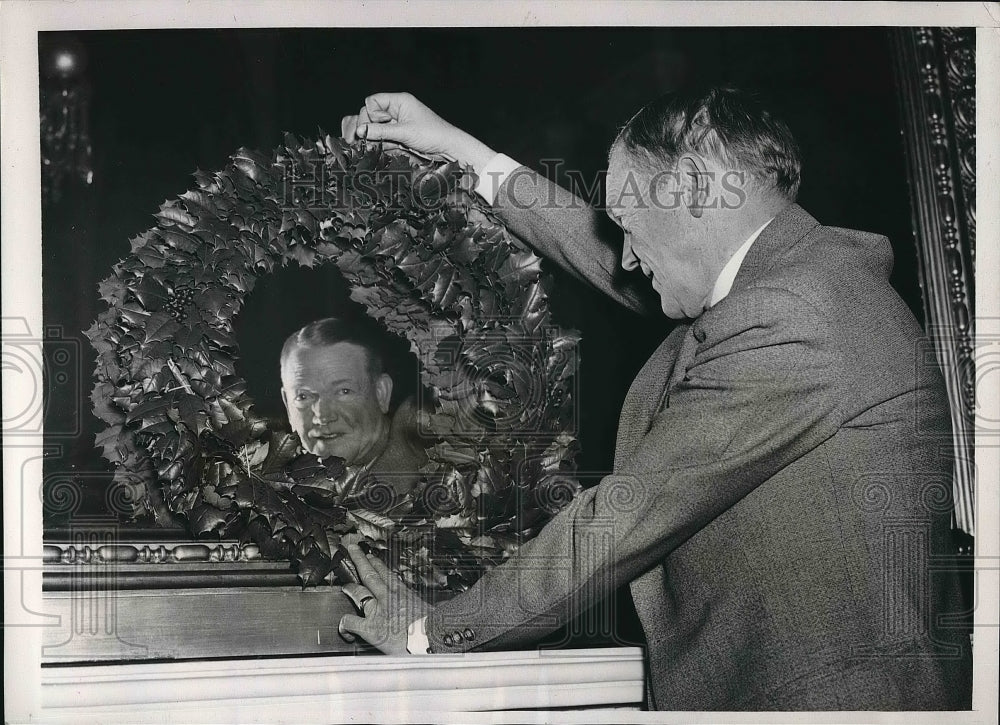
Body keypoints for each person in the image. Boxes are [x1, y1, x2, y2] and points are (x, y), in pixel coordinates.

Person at [335, 89, 972, 710]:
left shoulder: (793, 315)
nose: (629, 257)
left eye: (630, 225)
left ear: (694, 187)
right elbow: (603, 256)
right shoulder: (796, 283)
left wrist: (430, 635)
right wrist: (457, 150)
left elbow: (624, 517)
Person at [280, 316, 427, 494]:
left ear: (381, 393)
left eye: (343, 391)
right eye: (303, 396)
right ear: (288, 405)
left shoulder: (426, 480)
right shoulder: (280, 486)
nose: (323, 416)